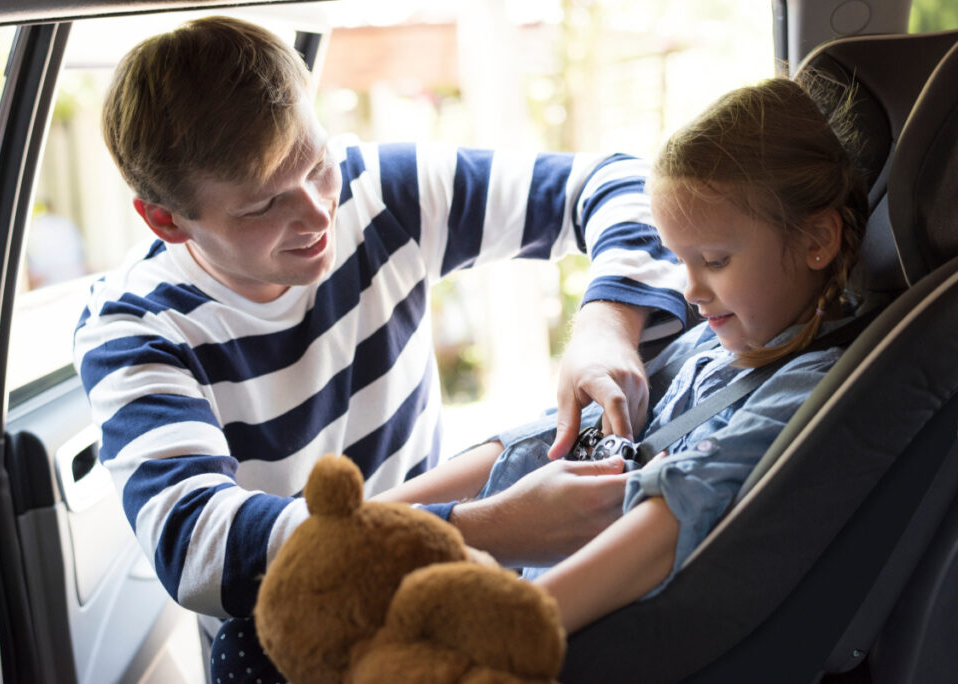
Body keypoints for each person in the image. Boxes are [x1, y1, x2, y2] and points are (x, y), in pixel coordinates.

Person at [72, 14, 687, 669]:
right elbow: (199, 548)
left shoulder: (380, 192)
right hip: (298, 648)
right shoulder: (135, 329)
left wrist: (606, 327)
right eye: (261, 206)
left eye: (316, 162)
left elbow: (629, 187)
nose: (316, 213)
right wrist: (494, 526)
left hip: (438, 601)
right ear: (166, 220)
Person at [368, 75, 869, 638]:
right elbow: (551, 441)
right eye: (682, 260)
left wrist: (488, 638)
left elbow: (670, 518)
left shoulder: (806, 388)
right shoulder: (711, 346)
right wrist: (358, 528)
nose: (689, 290)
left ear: (817, 241)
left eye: (714, 260)